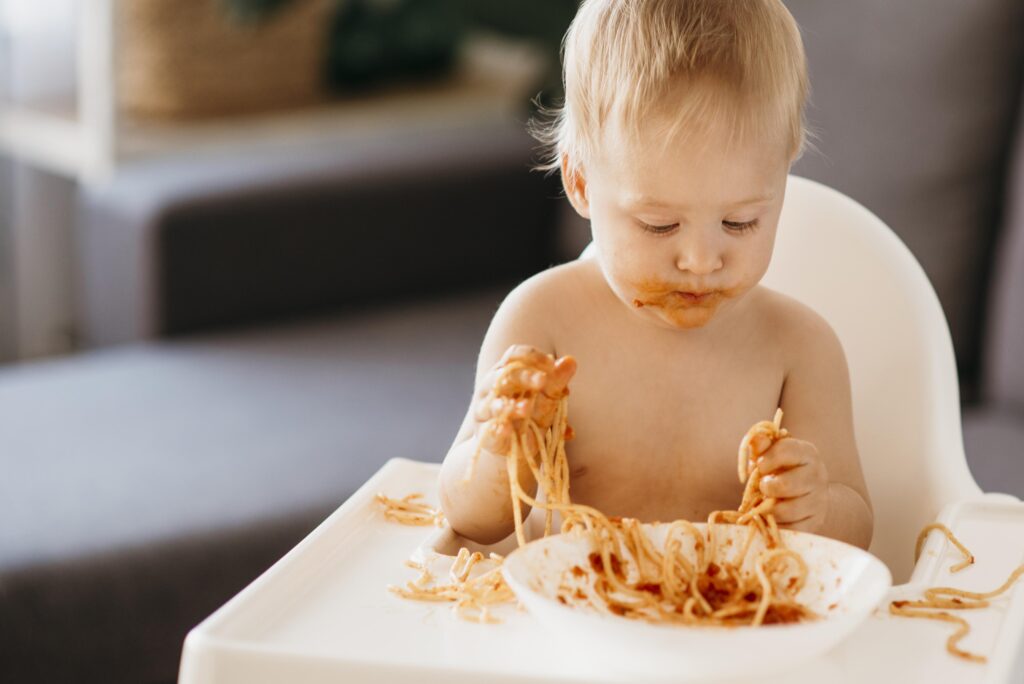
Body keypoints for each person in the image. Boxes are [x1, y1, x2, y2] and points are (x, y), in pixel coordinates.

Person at [439, 0, 873, 550]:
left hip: (738, 622)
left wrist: (815, 507)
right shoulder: (541, 324)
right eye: (659, 224)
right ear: (580, 182)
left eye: (739, 223)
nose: (699, 260)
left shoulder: (799, 348)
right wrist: (501, 453)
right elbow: (468, 521)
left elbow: (857, 529)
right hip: (566, 620)